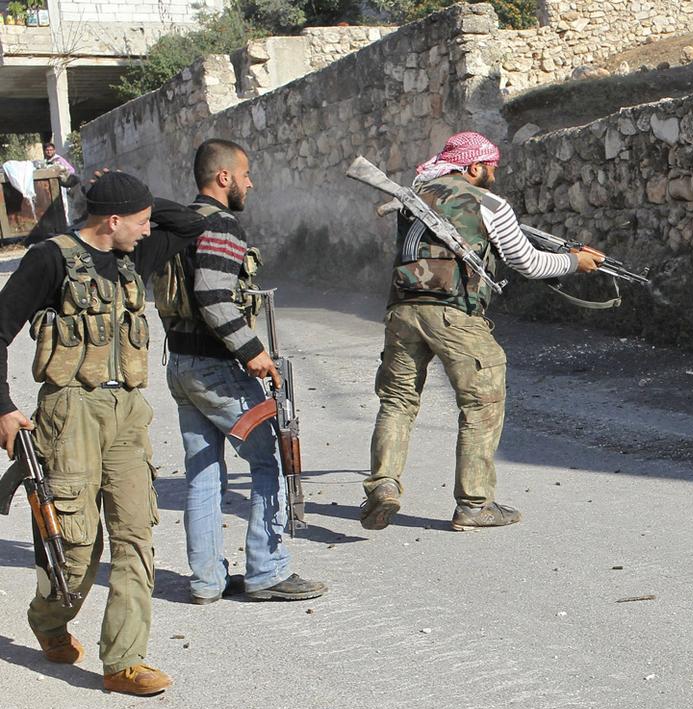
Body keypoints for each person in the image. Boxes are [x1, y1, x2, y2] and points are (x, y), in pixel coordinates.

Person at [0, 171, 206, 695]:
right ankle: (49, 618)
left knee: (136, 533)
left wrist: (134, 194)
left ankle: (124, 662)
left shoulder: (136, 253)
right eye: (139, 221)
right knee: (76, 544)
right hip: (69, 411)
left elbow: (189, 223)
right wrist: (2, 408)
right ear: (112, 222)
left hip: (128, 411)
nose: (149, 230)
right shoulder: (49, 259)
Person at [360, 131, 604, 531]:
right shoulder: (490, 203)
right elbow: (528, 263)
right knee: (482, 402)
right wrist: (575, 263)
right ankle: (474, 504)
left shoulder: (412, 197)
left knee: (398, 401)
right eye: (491, 167)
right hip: (455, 314)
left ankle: (383, 485)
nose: (494, 174)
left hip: (402, 310)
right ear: (474, 167)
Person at [153, 139, 326, 604]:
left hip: (182, 366)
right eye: (245, 174)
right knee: (269, 460)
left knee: (203, 470)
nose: (251, 183)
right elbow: (212, 295)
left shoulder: (180, 225)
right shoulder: (220, 225)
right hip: (217, 368)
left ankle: (207, 580)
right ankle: (267, 571)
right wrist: (253, 351)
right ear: (223, 177)